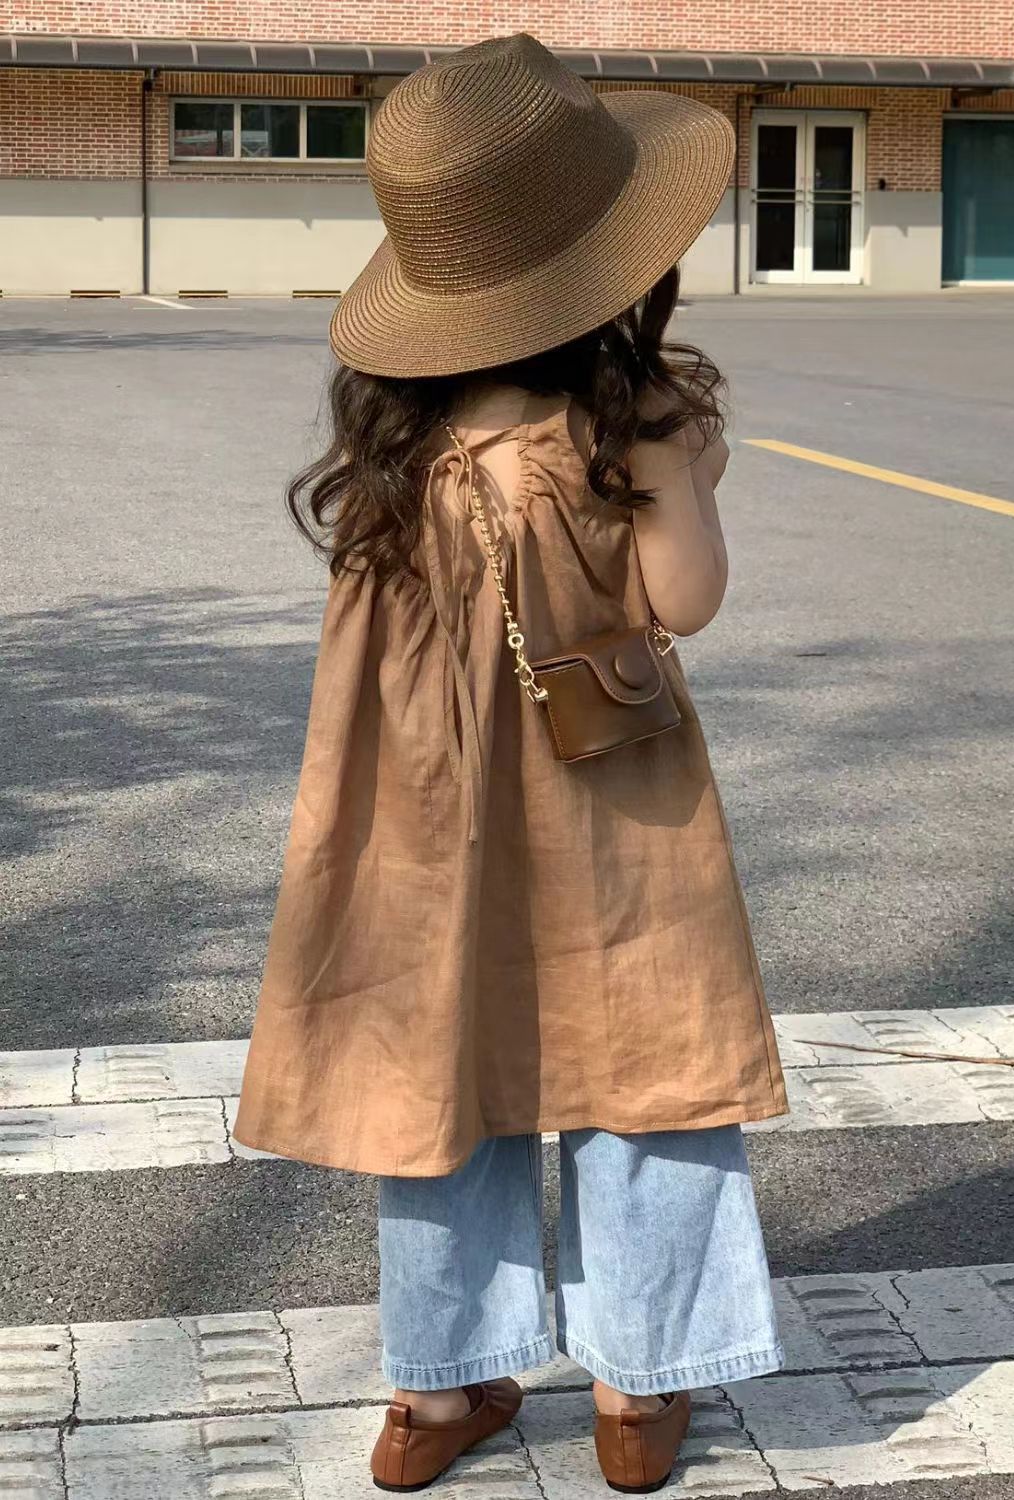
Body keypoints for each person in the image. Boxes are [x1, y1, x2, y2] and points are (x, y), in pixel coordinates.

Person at [232, 31, 789, 1496]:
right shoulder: (630, 425)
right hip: (612, 805)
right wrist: (685, 475)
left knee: (439, 1073)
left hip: (419, 817)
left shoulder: (394, 453)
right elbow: (682, 604)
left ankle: (435, 1390)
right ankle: (637, 1390)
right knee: (648, 1062)